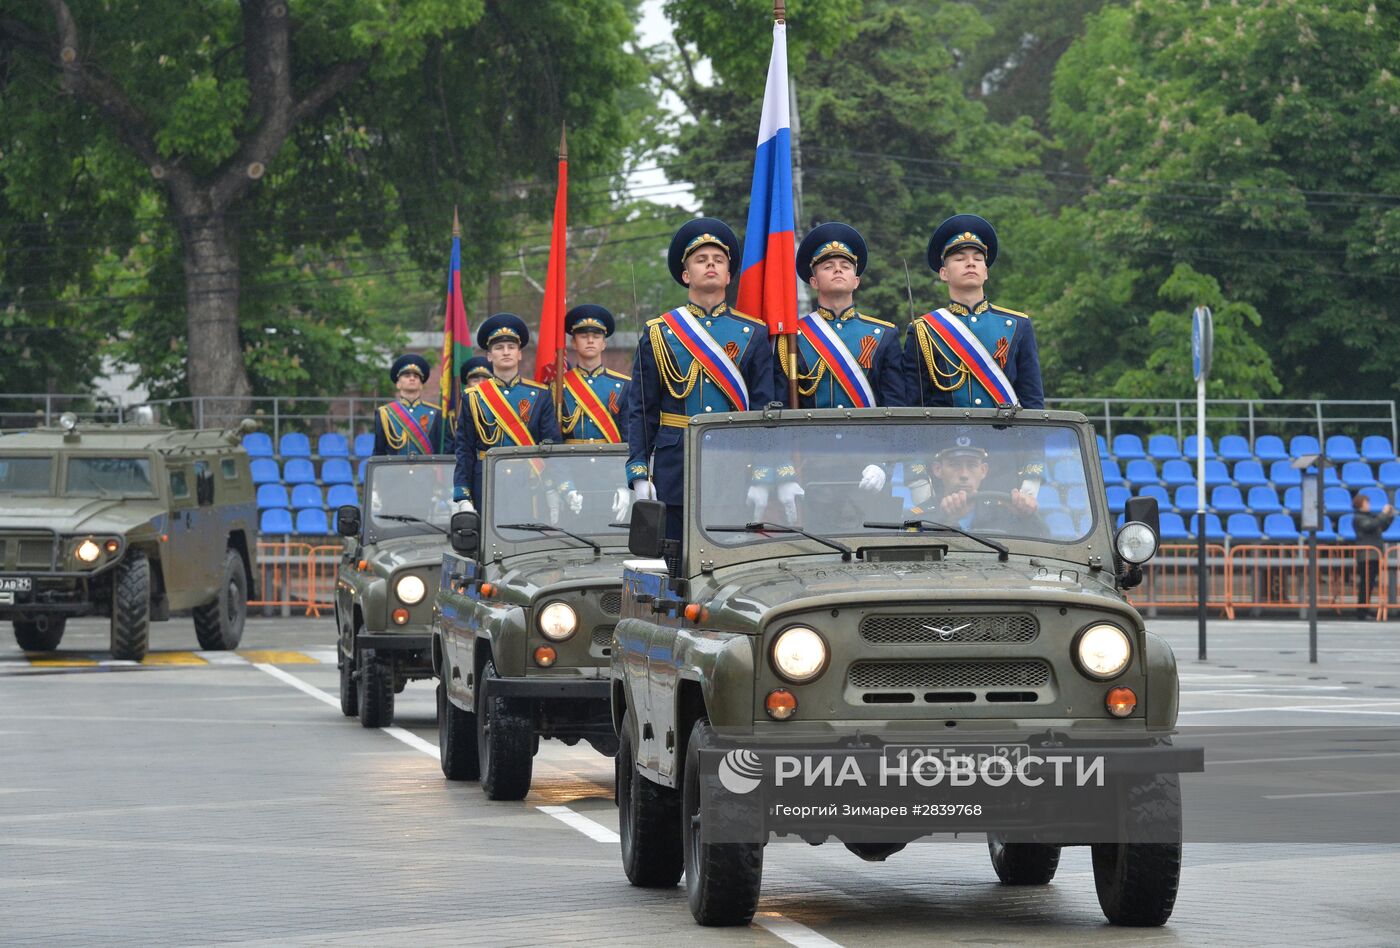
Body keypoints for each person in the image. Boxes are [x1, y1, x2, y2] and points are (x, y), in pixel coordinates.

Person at [624, 217, 774, 541]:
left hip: (735, 467)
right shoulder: (660, 333)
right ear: (685, 274)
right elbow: (641, 410)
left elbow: (765, 413)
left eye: (718, 260)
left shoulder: (754, 333)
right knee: (676, 564)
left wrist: (764, 476)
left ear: (729, 274)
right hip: (674, 469)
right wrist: (637, 472)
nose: (711, 265)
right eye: (701, 260)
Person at [769, 222, 907, 516]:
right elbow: (778, 415)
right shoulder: (792, 338)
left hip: (868, 466)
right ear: (814, 281)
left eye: (845, 265)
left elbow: (897, 409)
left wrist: (884, 462)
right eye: (828, 266)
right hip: (811, 467)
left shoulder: (884, 335)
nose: (837, 270)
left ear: (856, 280)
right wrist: (785, 473)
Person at [905, 214, 1044, 410]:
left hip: (1005, 436)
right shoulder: (924, 330)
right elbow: (917, 402)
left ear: (985, 272)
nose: (970, 263)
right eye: (960, 258)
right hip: (946, 437)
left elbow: (1032, 398)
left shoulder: (1017, 325)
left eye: (977, 259)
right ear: (944, 273)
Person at [453, 313, 561, 510]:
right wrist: (462, 495)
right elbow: (465, 449)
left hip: (528, 484)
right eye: (499, 348)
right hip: (486, 482)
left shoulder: (540, 395)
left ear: (519, 353)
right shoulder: (473, 397)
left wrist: (556, 487)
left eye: (511, 347)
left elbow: (551, 445)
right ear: (489, 355)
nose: (506, 352)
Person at [906, 436, 1041, 534]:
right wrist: (948, 521)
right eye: (954, 465)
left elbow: (1039, 546)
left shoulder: (1002, 512)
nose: (964, 474)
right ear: (937, 470)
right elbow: (911, 557)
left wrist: (1027, 516)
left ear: (983, 471)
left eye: (972, 465)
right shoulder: (920, 517)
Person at [559, 304, 630, 443]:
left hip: (610, 461)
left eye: (596, 336)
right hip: (569, 461)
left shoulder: (624, 385)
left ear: (604, 343)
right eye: (584, 336)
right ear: (574, 343)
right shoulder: (559, 386)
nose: (590, 341)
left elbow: (628, 434)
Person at [373, 353, 448, 457]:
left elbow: (442, 451)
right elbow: (379, 452)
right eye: (407, 376)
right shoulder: (384, 413)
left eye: (416, 376)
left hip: (427, 471)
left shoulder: (436, 413)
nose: (412, 378)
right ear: (398, 384)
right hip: (396, 471)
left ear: (421, 385)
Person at [1352, 493, 1395, 615]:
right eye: (1367, 503)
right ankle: (1361, 611)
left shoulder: (1370, 516)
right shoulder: (1359, 518)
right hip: (1366, 556)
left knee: (1369, 585)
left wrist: (1389, 516)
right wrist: (1383, 513)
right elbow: (1370, 526)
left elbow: (1382, 526)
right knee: (1365, 585)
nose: (1369, 505)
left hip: (1373, 555)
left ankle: (1365, 609)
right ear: (1360, 505)